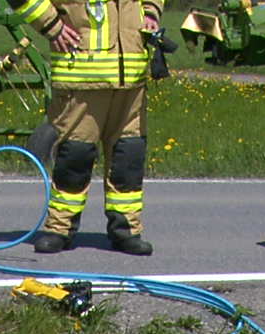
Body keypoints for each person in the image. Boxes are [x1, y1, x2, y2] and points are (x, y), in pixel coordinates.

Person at [17, 0, 159, 256]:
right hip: (80, 77)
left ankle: (127, 230)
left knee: (128, 158)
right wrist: (52, 26)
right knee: (75, 156)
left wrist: (151, 12)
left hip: (131, 78)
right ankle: (59, 229)